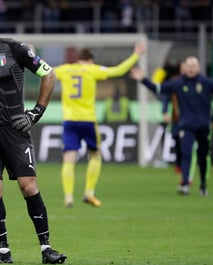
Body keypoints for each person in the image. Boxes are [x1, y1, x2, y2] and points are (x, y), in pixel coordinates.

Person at [0, 15, 67, 264]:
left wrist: (36, 113)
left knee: (28, 186)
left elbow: (49, 75)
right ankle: (3, 252)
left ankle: (47, 249)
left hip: (15, 128)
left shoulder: (15, 50)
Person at [130, 56, 213, 196]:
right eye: (188, 66)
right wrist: (143, 79)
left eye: (193, 66)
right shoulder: (178, 83)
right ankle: (185, 183)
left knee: (203, 157)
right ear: (185, 67)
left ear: (198, 68)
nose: (191, 68)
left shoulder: (206, 82)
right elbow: (158, 89)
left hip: (203, 126)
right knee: (186, 154)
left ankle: (203, 184)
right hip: (186, 126)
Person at [54, 43, 146, 207]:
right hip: (88, 120)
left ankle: (68, 197)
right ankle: (89, 192)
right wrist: (136, 55)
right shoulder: (92, 69)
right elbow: (118, 70)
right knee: (95, 155)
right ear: (90, 60)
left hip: (69, 120)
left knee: (69, 158)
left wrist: (31, 55)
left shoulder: (65, 69)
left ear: (78, 59)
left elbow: (44, 71)